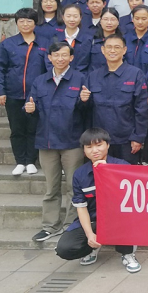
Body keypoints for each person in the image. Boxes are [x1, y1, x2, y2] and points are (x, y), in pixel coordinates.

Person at [54, 128, 140, 272]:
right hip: (94, 219)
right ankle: (92, 248)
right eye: (89, 147)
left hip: (120, 218)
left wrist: (109, 172)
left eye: (99, 145)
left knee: (126, 219)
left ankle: (127, 254)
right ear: (84, 150)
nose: (94, 150)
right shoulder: (80, 174)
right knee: (65, 248)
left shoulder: (123, 166)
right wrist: (89, 234)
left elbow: (133, 197)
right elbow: (81, 207)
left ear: (108, 145)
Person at [27, 42, 88, 243]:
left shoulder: (80, 78)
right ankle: (50, 226)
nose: (60, 58)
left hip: (72, 142)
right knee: (51, 188)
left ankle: (72, 225)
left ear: (71, 58)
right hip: (46, 142)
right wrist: (28, 109)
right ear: (50, 58)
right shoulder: (40, 80)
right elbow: (32, 105)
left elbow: (87, 110)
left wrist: (85, 101)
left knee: (73, 187)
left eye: (64, 55)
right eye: (56, 55)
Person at [84, 33, 148, 165]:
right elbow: (87, 110)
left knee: (126, 175)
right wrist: (83, 100)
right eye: (109, 47)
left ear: (124, 50)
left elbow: (142, 109)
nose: (112, 51)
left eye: (117, 47)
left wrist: (138, 137)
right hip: (99, 141)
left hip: (126, 140)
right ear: (103, 50)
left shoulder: (135, 74)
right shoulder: (93, 76)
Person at [0, 8, 48, 175]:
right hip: (13, 93)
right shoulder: (8, 44)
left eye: (29, 21)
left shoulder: (45, 43)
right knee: (17, 129)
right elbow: (1, 68)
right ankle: (20, 161)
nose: (25, 24)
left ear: (35, 23)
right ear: (16, 23)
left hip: (36, 95)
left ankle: (31, 161)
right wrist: (1, 91)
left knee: (34, 128)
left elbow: (49, 69)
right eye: (21, 21)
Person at [53, 5, 92, 74]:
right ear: (63, 17)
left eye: (75, 16)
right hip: (58, 77)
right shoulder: (55, 39)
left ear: (80, 18)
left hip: (81, 78)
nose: (72, 19)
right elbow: (49, 60)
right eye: (68, 16)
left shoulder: (88, 39)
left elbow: (90, 63)